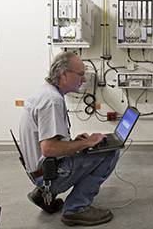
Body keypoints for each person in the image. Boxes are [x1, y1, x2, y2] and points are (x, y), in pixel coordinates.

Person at [19, 51, 119, 226]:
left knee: (95, 147)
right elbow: (49, 149)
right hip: (50, 176)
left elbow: (49, 142)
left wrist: (75, 143)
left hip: (40, 170)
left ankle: (42, 194)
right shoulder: (52, 101)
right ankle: (76, 209)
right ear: (63, 74)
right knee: (111, 152)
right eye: (80, 74)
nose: (83, 79)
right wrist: (87, 142)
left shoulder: (45, 92)